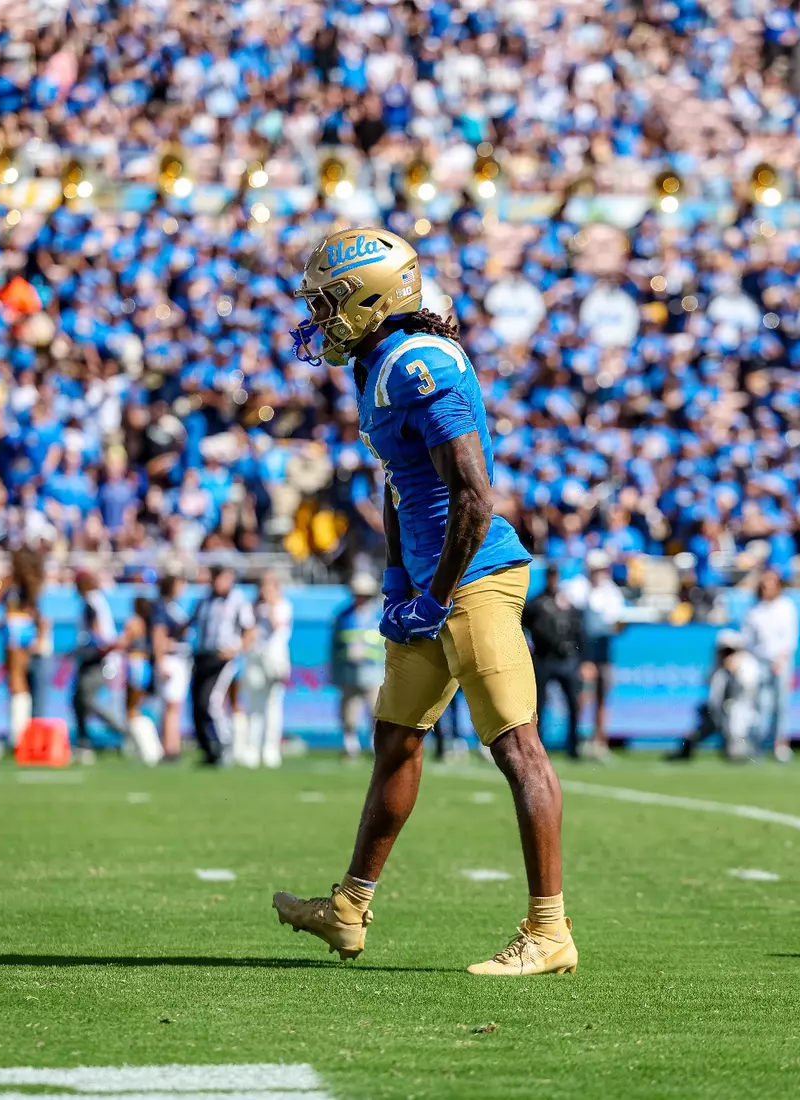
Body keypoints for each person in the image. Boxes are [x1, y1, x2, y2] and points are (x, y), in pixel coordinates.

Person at [274, 227, 574, 976]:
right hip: (433, 580)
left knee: (515, 744)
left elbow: (474, 495)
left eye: (333, 301)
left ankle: (549, 932)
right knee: (397, 741)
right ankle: (349, 909)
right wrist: (401, 580)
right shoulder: (380, 361)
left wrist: (436, 592)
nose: (323, 316)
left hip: (472, 577)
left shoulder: (420, 363)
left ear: (378, 295)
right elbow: (402, 484)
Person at [187, 566, 255, 766]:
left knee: (212, 701)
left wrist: (236, 649)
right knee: (197, 704)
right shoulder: (204, 601)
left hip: (222, 657)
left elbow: (250, 631)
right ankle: (207, 748)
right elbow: (190, 624)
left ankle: (224, 743)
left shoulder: (238, 601)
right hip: (202, 655)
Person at [522, 563, 587, 759]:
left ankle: (573, 746)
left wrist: (583, 658)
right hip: (544, 658)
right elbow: (522, 624)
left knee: (573, 704)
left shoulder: (567, 603)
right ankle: (537, 745)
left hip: (566, 659)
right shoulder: (536, 603)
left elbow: (578, 631)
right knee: (539, 705)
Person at [668, 630, 761, 761]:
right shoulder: (718, 667)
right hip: (717, 712)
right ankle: (686, 750)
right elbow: (713, 690)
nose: (727, 655)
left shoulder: (748, 664)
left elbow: (745, 690)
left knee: (735, 746)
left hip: (740, 712)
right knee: (700, 730)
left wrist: (734, 672)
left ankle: (745, 750)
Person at [568, 551, 624, 754]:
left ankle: (599, 740)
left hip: (603, 649)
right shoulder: (577, 586)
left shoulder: (611, 591)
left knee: (603, 694)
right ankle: (576, 736)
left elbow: (615, 621)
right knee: (584, 693)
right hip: (583, 650)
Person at [744, 569, 799, 762]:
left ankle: (780, 744)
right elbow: (748, 641)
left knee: (781, 705)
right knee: (761, 705)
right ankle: (756, 744)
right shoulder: (755, 610)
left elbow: (790, 637)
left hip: (781, 662)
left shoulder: (786, 607)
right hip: (760, 662)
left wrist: (781, 659)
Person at [331, 573, 386, 761]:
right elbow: (335, 646)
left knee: (375, 711)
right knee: (348, 713)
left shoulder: (379, 615)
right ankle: (350, 745)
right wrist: (335, 673)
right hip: (349, 673)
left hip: (374, 672)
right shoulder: (343, 617)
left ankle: (374, 744)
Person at [71, 569, 126, 755]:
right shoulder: (97, 600)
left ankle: (121, 730)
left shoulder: (91, 602)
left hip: (97, 658)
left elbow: (96, 632)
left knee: (86, 698)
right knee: (79, 699)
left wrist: (93, 647)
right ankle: (83, 739)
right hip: (96, 656)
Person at [242, 573, 293, 768]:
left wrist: (271, 604)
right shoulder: (252, 606)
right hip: (256, 657)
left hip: (275, 659)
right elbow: (249, 631)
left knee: (273, 705)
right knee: (254, 704)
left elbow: (278, 628)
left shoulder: (283, 605)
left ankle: (270, 749)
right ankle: (251, 749)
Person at [2, 546, 47, 743]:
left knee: (16, 681)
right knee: (23, 685)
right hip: (26, 630)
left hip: (17, 629)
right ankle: (24, 734)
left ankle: (19, 736)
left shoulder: (18, 582)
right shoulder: (35, 582)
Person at [152, 574, 192, 760]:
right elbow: (158, 635)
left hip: (179, 658)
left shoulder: (173, 607)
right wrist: (160, 661)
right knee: (171, 706)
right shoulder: (162, 607)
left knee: (175, 706)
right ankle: (169, 748)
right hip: (170, 660)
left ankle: (172, 744)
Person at [119, 597, 162, 765]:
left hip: (134, 664)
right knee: (136, 706)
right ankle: (145, 748)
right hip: (145, 666)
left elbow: (124, 641)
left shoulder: (134, 622)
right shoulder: (148, 623)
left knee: (131, 708)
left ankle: (146, 749)